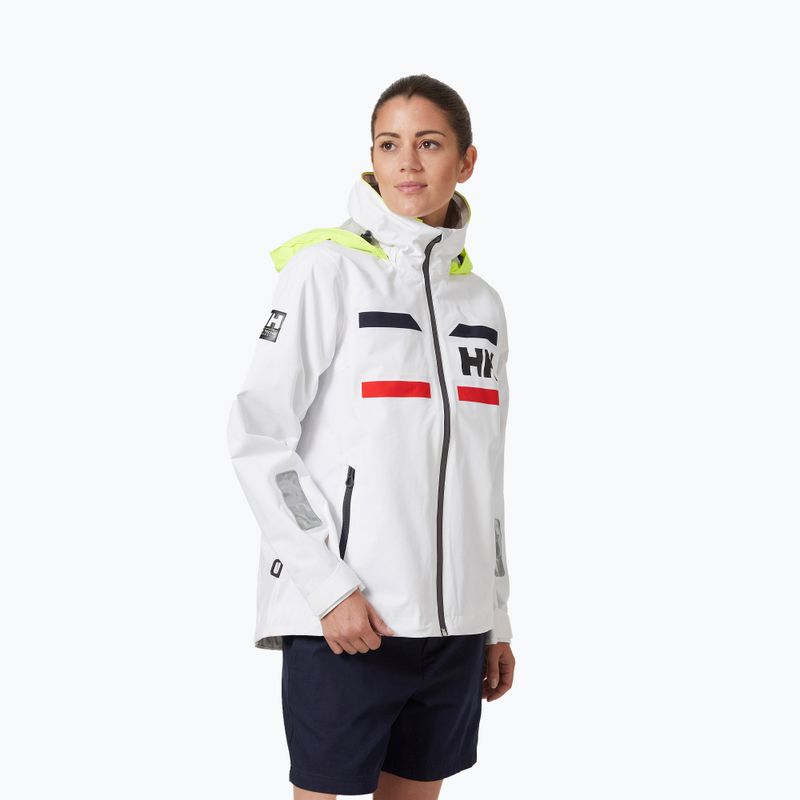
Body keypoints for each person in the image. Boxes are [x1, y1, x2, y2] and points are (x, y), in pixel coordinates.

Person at [226, 74, 516, 799]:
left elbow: (484, 472)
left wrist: (494, 613)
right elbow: (259, 437)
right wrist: (328, 588)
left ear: (466, 161)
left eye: (429, 144)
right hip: (352, 621)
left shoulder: (480, 304)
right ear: (372, 159)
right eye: (389, 145)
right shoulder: (327, 271)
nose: (407, 162)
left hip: (455, 630)